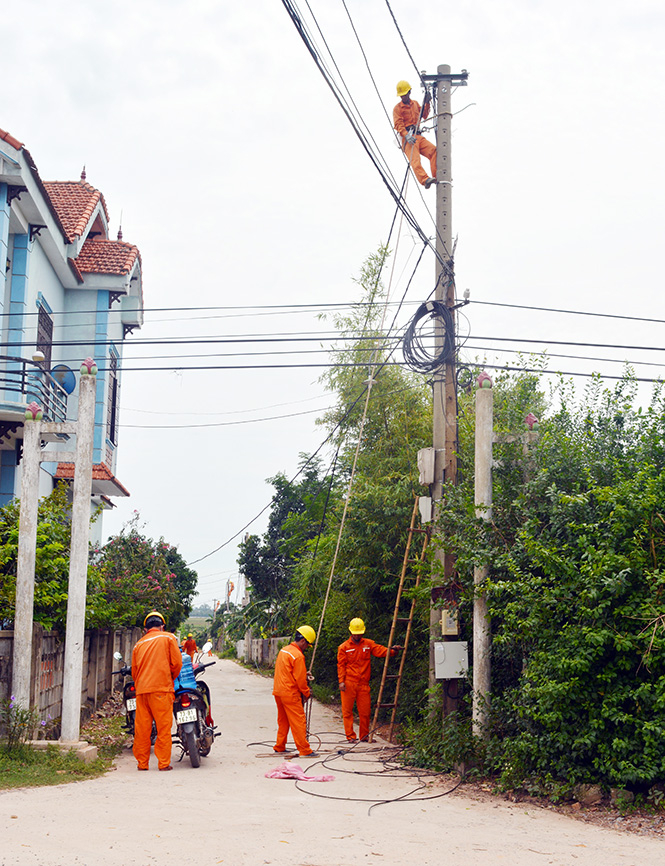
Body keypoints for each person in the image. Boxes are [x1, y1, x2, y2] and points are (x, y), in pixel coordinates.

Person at [131, 610, 182, 771]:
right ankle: (163, 763)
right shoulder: (168, 637)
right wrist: (170, 678)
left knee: (142, 729)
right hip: (161, 690)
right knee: (163, 728)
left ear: (145, 629)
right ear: (162, 626)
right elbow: (177, 663)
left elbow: (134, 671)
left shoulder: (138, 645)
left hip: (142, 692)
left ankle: (142, 764)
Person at [337, 617, 402, 742]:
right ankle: (350, 736)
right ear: (351, 632)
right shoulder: (343, 647)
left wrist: (393, 651)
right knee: (347, 712)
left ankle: (364, 736)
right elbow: (341, 665)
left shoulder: (368, 644)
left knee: (365, 712)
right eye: (355, 633)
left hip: (363, 684)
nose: (357, 635)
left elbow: (380, 650)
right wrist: (341, 681)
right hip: (349, 682)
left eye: (359, 633)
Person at [272, 625, 318, 758]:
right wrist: (307, 692)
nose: (306, 648)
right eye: (307, 645)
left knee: (283, 720)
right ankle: (304, 749)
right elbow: (299, 680)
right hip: (290, 693)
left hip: (279, 692)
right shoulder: (298, 656)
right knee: (299, 721)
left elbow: (289, 672)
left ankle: (280, 746)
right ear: (303, 641)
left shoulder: (284, 651)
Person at [393, 80, 437, 189]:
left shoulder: (415, 104)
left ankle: (437, 176)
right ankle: (424, 180)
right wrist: (406, 135)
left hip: (418, 136)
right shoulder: (397, 108)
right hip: (407, 138)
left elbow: (424, 115)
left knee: (434, 150)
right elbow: (398, 124)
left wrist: (427, 102)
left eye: (404, 94)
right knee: (415, 160)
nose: (403, 97)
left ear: (409, 92)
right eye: (401, 95)